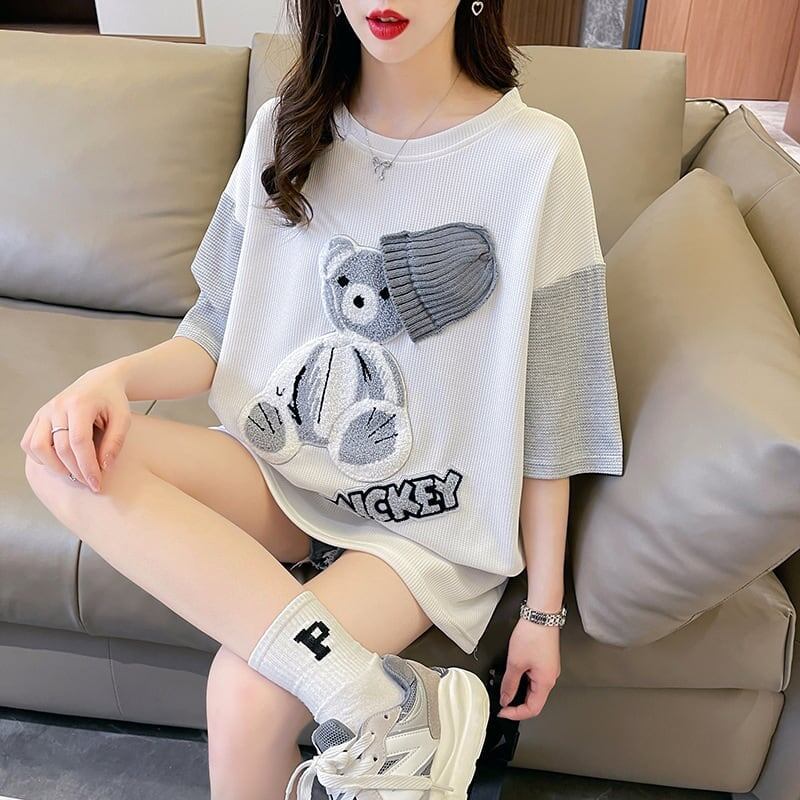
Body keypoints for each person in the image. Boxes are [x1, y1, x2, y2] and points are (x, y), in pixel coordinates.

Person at [20, 1, 624, 798]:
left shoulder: (538, 156)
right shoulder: (286, 129)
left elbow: (556, 405)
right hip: (282, 479)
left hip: (423, 523)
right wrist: (112, 380)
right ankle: (376, 699)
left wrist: (542, 614)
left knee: (245, 691)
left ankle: (367, 698)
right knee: (58, 453)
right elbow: (215, 329)